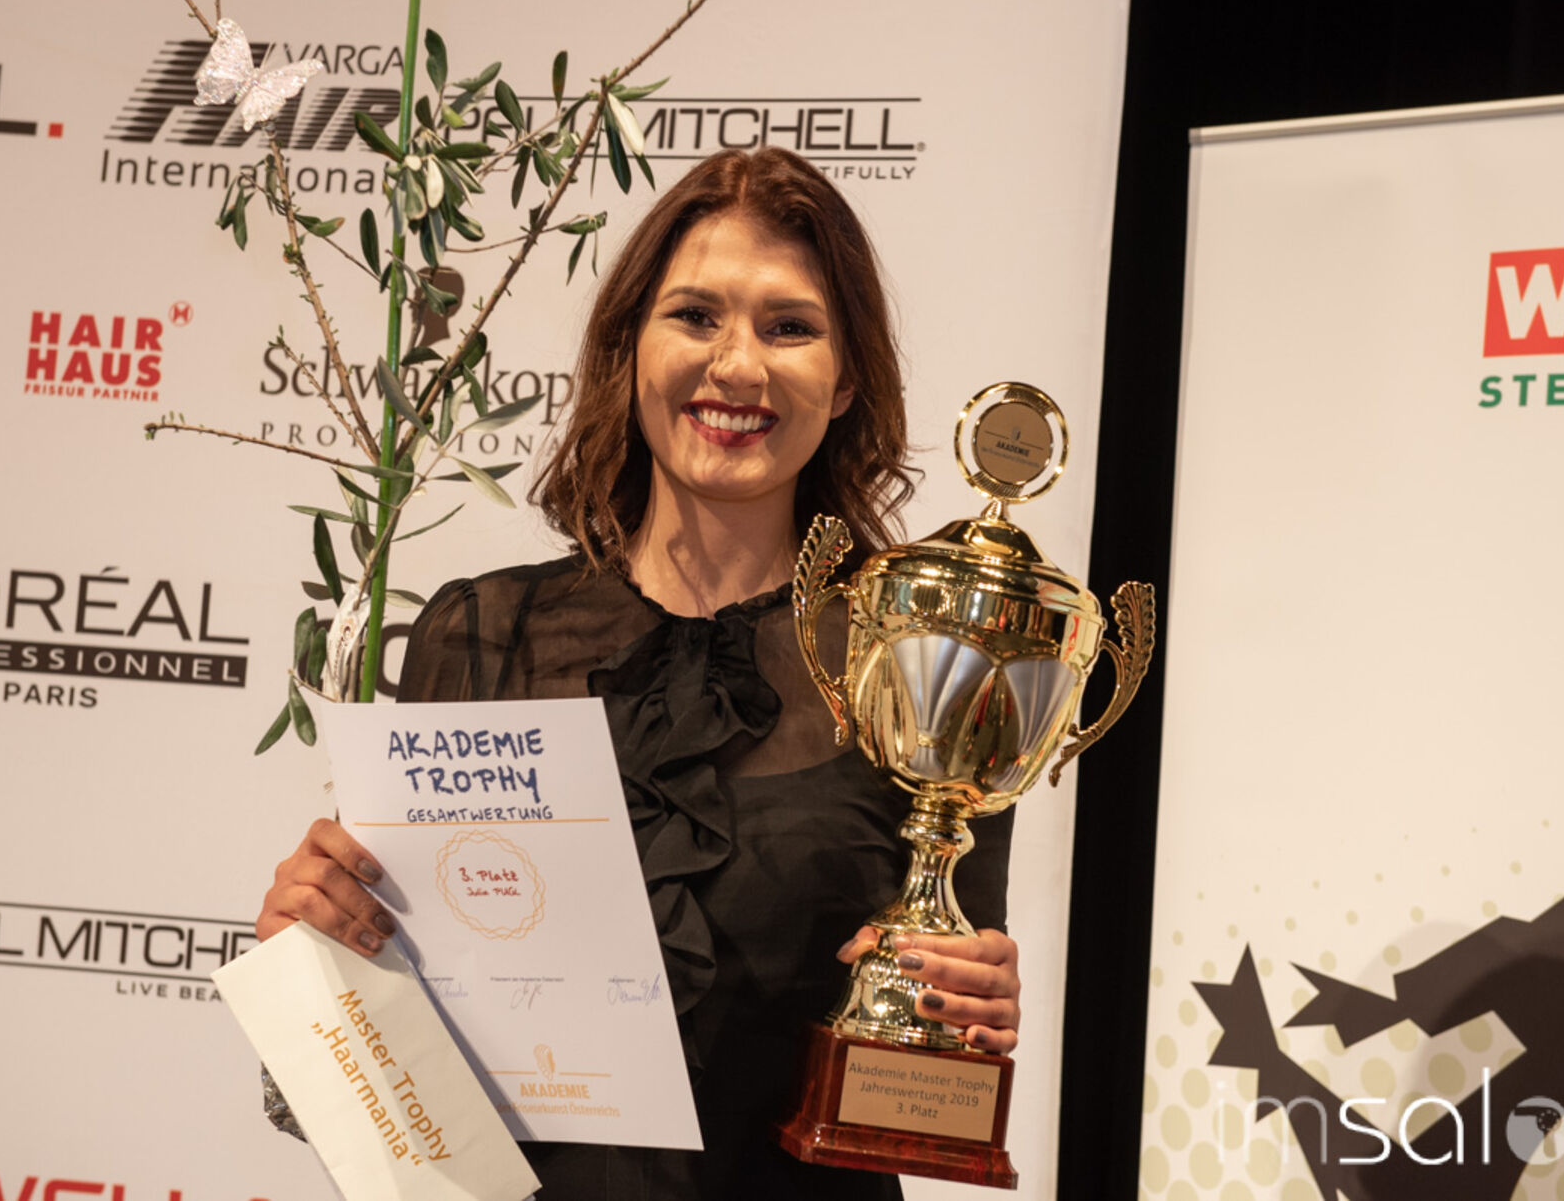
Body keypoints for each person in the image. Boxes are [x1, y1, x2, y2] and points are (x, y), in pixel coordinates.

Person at [256, 147, 1022, 1199]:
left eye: (789, 327)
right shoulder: (480, 634)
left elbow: (916, 1101)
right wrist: (317, 957)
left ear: (846, 378)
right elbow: (370, 1079)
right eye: (696, 316)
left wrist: (957, 1027)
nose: (738, 367)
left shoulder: (924, 667)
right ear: (629, 348)